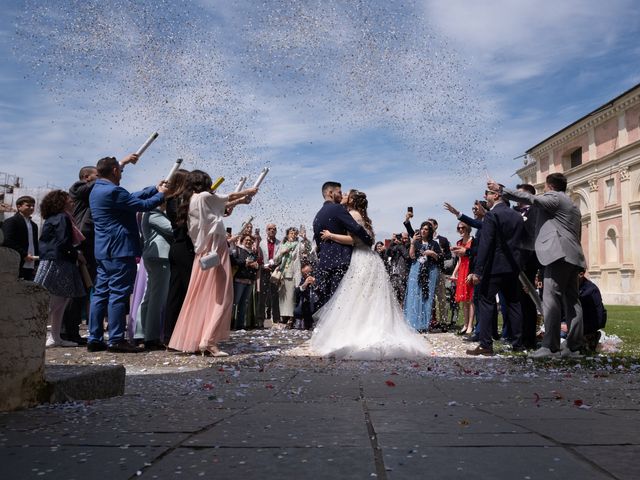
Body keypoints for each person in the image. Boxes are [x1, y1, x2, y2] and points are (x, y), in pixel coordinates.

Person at [310, 189, 431, 359]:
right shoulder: (362, 215)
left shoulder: (353, 214)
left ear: (352, 201)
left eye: (347, 195)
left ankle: (359, 332)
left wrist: (331, 235)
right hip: (371, 259)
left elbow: (353, 240)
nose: (343, 196)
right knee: (369, 298)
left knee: (357, 297)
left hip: (361, 259)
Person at [493, 173, 586, 359]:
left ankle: (550, 347)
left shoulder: (555, 197)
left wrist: (502, 190)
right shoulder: (573, 206)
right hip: (572, 257)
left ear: (549, 186)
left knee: (550, 300)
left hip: (558, 256)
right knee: (572, 302)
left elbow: (531, 198)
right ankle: (574, 347)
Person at [168, 170, 257, 356]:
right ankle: (208, 341)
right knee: (223, 295)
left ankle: (198, 338)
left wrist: (240, 200)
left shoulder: (192, 200)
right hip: (216, 250)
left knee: (201, 295)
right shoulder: (205, 196)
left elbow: (222, 205)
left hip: (202, 252)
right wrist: (248, 190)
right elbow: (229, 196)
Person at [87, 155, 168, 353]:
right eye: (120, 171)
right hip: (120, 249)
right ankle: (116, 339)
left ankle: (94, 337)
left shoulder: (98, 189)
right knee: (118, 294)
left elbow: (131, 197)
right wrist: (161, 194)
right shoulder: (114, 191)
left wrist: (153, 188)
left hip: (103, 249)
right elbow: (143, 205)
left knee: (100, 294)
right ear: (114, 171)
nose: (122, 174)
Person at [466, 188, 524, 356]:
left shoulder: (492, 215)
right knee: (514, 304)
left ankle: (485, 344)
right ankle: (518, 344)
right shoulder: (517, 216)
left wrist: (478, 271)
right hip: (513, 267)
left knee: (485, 302)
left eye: (488, 194)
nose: (486, 197)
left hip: (494, 268)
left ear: (497, 195)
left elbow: (486, 244)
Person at [33, 190, 86, 347]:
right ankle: (43, 335)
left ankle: (54, 337)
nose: (72, 202)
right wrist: (77, 254)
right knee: (56, 303)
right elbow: (63, 243)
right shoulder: (63, 218)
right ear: (60, 202)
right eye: (69, 199)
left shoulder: (55, 218)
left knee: (59, 302)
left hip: (54, 261)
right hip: (58, 262)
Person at [312, 182, 373, 309]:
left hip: (324, 263)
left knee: (327, 302)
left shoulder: (317, 216)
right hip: (340, 261)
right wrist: (368, 240)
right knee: (340, 302)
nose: (341, 194)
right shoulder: (338, 209)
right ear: (330, 193)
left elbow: (318, 243)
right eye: (339, 192)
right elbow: (356, 228)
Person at [139, 203, 174, 349]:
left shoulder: (151, 213)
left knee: (149, 298)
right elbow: (172, 229)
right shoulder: (154, 213)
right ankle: (151, 337)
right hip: (160, 257)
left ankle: (141, 333)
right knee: (157, 299)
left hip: (154, 257)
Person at [163, 169, 192, 344]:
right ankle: (174, 334)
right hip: (183, 247)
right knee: (181, 292)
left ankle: (172, 334)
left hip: (181, 247)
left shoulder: (177, 200)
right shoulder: (175, 201)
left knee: (178, 292)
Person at [513, 183, 540, 350]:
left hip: (530, 261)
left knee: (528, 302)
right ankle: (518, 336)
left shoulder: (537, 211)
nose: (516, 197)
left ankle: (529, 338)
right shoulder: (515, 213)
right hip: (516, 262)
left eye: (520, 194)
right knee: (518, 301)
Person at [404, 221, 442, 333]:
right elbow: (411, 256)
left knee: (426, 296)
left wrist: (432, 254)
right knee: (414, 294)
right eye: (422, 228)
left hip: (430, 271)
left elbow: (440, 258)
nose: (423, 230)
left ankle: (423, 324)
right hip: (416, 269)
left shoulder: (434, 244)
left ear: (430, 231)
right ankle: (412, 323)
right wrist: (412, 242)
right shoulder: (416, 242)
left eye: (426, 229)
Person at [274, 227, 312, 328]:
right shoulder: (282, 245)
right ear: (287, 235)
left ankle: (291, 319)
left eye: (295, 233)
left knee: (291, 298)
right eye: (291, 233)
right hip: (283, 274)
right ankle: (283, 318)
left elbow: (308, 249)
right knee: (283, 298)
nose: (293, 235)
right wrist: (283, 252)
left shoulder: (299, 245)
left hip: (293, 274)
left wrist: (305, 239)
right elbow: (275, 259)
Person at [1, 195, 38, 280]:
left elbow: (35, 244)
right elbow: (7, 240)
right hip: (16, 262)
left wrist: (36, 262)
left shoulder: (34, 225)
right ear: (19, 206)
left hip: (30, 264)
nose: (31, 208)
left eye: (33, 206)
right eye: (28, 205)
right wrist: (24, 254)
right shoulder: (11, 222)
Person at [230, 233, 260, 330]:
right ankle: (229, 324)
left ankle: (240, 326)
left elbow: (255, 267)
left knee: (243, 305)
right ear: (242, 240)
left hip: (249, 281)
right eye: (247, 240)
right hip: (239, 280)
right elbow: (233, 261)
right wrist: (245, 263)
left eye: (251, 241)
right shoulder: (238, 250)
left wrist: (256, 267)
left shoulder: (253, 253)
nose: (249, 242)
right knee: (234, 303)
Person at [450, 222, 474, 335]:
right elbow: (459, 260)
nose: (460, 230)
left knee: (471, 298)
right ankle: (465, 324)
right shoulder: (459, 242)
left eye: (463, 227)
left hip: (470, 269)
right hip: (462, 270)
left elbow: (475, 257)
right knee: (464, 299)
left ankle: (470, 325)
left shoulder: (473, 240)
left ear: (468, 228)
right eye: (458, 228)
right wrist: (454, 273)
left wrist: (473, 272)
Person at [578, 269, 607, 352]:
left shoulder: (591, 290)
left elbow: (599, 315)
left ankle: (590, 336)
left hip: (587, 324)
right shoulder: (573, 287)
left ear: (581, 274)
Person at [258, 223, 281, 325]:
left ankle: (276, 319)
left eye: (274, 229)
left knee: (275, 296)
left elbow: (281, 258)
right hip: (264, 272)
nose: (272, 230)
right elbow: (258, 258)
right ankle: (260, 319)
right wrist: (263, 266)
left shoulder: (280, 243)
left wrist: (277, 266)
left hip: (275, 272)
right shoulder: (261, 243)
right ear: (266, 231)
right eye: (270, 229)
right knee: (262, 296)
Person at [387, 232, 410, 305]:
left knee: (403, 297)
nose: (404, 240)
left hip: (404, 275)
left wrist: (400, 245)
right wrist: (392, 241)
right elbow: (387, 253)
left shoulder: (408, 246)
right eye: (402, 238)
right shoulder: (396, 246)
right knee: (393, 297)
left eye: (406, 238)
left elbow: (407, 256)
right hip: (394, 275)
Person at [293, 263, 316, 330]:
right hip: (307, 307)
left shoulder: (317, 276)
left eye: (309, 272)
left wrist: (315, 284)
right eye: (305, 273)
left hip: (317, 304)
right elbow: (297, 291)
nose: (308, 275)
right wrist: (305, 284)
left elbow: (322, 291)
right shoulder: (303, 279)